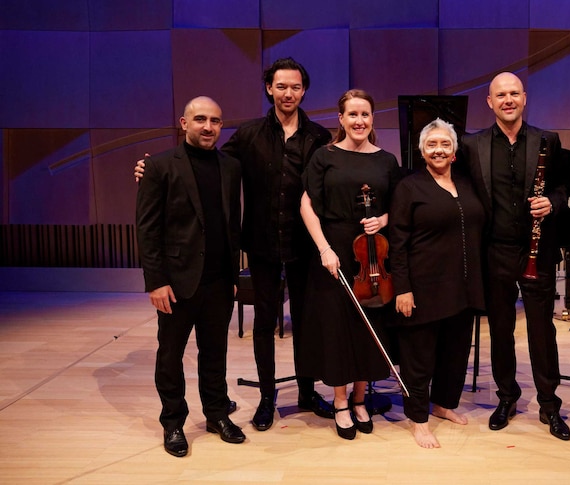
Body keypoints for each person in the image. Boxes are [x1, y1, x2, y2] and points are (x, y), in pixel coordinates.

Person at [136, 58, 335, 431]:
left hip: (305, 245)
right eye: (281, 86)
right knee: (263, 324)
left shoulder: (319, 137)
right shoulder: (247, 134)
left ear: (303, 90)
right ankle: (266, 398)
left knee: (307, 323)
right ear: (269, 89)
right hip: (260, 244)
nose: (288, 93)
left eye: (295, 87)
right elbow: (203, 159)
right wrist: (151, 170)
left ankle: (308, 392)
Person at [459, 72, 570, 441]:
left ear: (525, 98)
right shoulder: (470, 145)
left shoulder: (548, 141)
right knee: (501, 331)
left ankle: (549, 404)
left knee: (542, 330)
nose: (507, 100)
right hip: (494, 251)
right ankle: (506, 397)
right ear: (489, 102)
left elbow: (563, 185)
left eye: (514, 93)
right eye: (499, 95)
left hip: (536, 250)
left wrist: (552, 202)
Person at [136, 96, 245, 457]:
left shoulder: (230, 167)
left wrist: (233, 273)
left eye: (215, 120)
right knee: (171, 355)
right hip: (176, 282)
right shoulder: (160, 166)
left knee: (215, 353)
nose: (208, 127)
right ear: (184, 123)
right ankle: (173, 422)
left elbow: (231, 224)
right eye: (200, 119)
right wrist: (155, 281)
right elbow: (147, 229)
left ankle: (216, 414)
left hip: (218, 281)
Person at [298, 89, 402, 440]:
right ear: (340, 119)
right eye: (352, 115)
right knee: (338, 328)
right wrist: (324, 248)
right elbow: (307, 205)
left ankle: (360, 399)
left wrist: (383, 220)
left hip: (372, 256)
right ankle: (340, 401)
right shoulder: (324, 156)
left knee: (368, 327)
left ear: (373, 119)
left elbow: (398, 207)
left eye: (365, 115)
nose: (359, 121)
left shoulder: (386, 160)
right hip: (334, 253)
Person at [389, 118, 485, 448]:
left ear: (455, 152)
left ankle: (443, 404)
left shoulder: (468, 184)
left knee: (454, 353)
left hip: (463, 286)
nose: (438, 149)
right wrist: (403, 287)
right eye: (432, 144)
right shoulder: (409, 187)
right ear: (421, 151)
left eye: (445, 144)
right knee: (419, 358)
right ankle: (418, 419)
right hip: (423, 287)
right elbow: (397, 241)